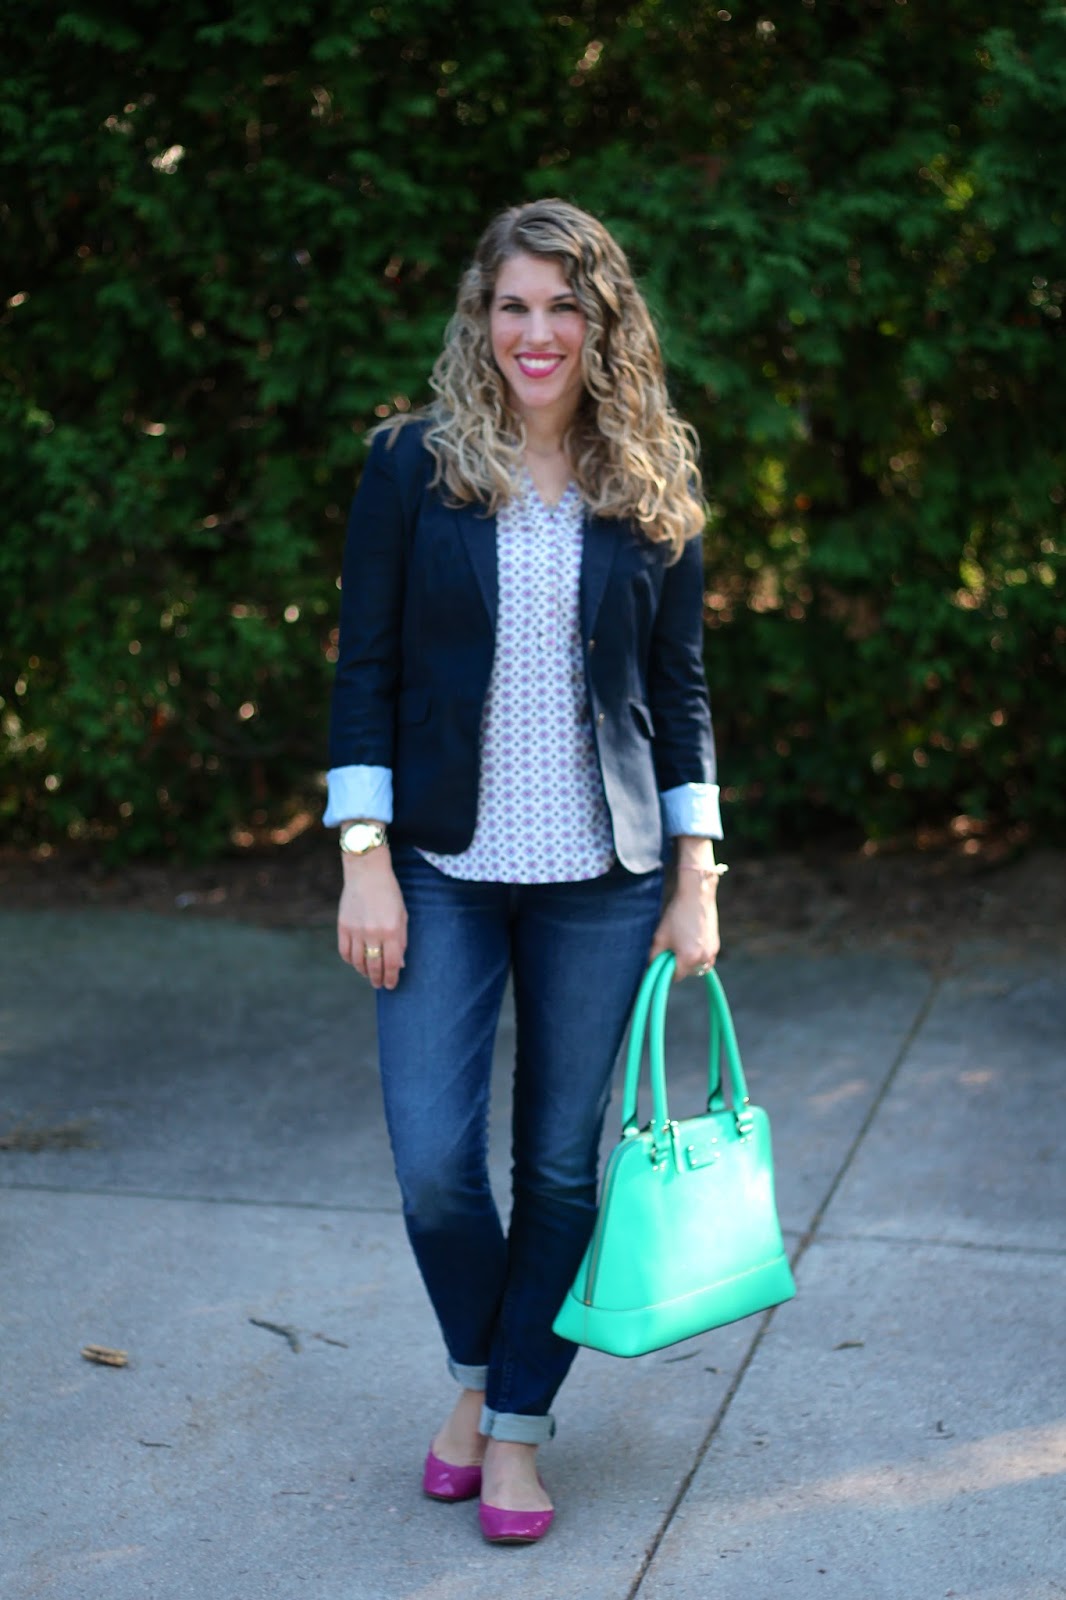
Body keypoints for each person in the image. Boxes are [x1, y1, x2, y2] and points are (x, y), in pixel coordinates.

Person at [324, 198, 724, 1544]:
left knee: (558, 1170)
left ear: (601, 322)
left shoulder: (651, 477)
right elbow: (364, 669)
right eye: (513, 305)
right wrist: (363, 856)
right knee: (437, 1167)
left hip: (604, 874)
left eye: (562, 306)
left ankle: (510, 1432)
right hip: (436, 862)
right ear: (477, 317)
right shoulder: (410, 466)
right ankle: (481, 1378)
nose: (535, 333)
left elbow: (680, 694)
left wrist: (697, 871)